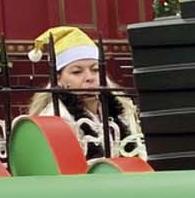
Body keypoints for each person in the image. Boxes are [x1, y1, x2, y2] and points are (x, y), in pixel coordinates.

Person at [27, 26, 144, 155]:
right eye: (77, 72)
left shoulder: (122, 108)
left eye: (95, 70)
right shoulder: (56, 117)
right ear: (58, 78)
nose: (89, 78)